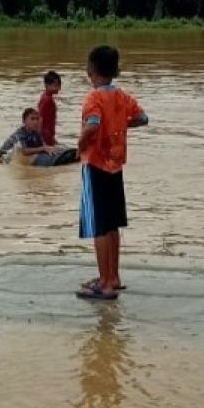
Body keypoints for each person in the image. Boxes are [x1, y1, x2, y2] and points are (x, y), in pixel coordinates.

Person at [77, 45, 148, 300]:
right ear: (116, 71)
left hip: (95, 165)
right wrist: (120, 125)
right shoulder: (122, 97)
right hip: (115, 166)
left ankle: (105, 284)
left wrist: (80, 144)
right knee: (112, 225)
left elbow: (93, 125)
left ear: (90, 70)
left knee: (98, 226)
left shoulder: (93, 98)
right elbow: (143, 118)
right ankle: (113, 277)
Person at [38, 71, 62, 146]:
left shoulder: (44, 96)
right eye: (55, 85)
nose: (58, 88)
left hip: (48, 135)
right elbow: (40, 119)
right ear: (46, 85)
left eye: (59, 85)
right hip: (46, 136)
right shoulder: (48, 100)